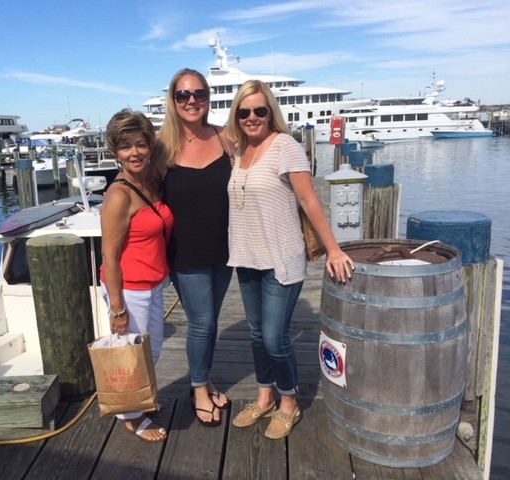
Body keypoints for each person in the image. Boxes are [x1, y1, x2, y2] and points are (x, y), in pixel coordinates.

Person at [226, 80, 355, 439]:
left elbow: (309, 201)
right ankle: (264, 398)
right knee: (256, 335)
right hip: (246, 257)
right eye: (244, 112)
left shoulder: (285, 146)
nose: (252, 117)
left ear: (271, 113)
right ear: (237, 115)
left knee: (274, 338)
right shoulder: (239, 150)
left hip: (281, 259)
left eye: (259, 110)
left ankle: (289, 403)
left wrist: (333, 249)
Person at [158, 68, 236, 427]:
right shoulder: (162, 147)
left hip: (225, 249)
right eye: (183, 95)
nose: (192, 101)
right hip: (185, 253)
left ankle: (203, 378)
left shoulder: (225, 138)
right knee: (202, 323)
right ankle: (199, 390)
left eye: (199, 94)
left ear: (208, 97)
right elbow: (139, 192)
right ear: (173, 100)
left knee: (210, 321)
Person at [99, 109, 174, 442]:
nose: (134, 153)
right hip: (130, 289)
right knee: (134, 356)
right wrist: (117, 309)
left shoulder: (148, 180)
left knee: (151, 351)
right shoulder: (118, 195)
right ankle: (131, 418)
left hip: (153, 283)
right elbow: (110, 257)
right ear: (115, 151)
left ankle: (140, 402)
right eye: (125, 146)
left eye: (141, 144)